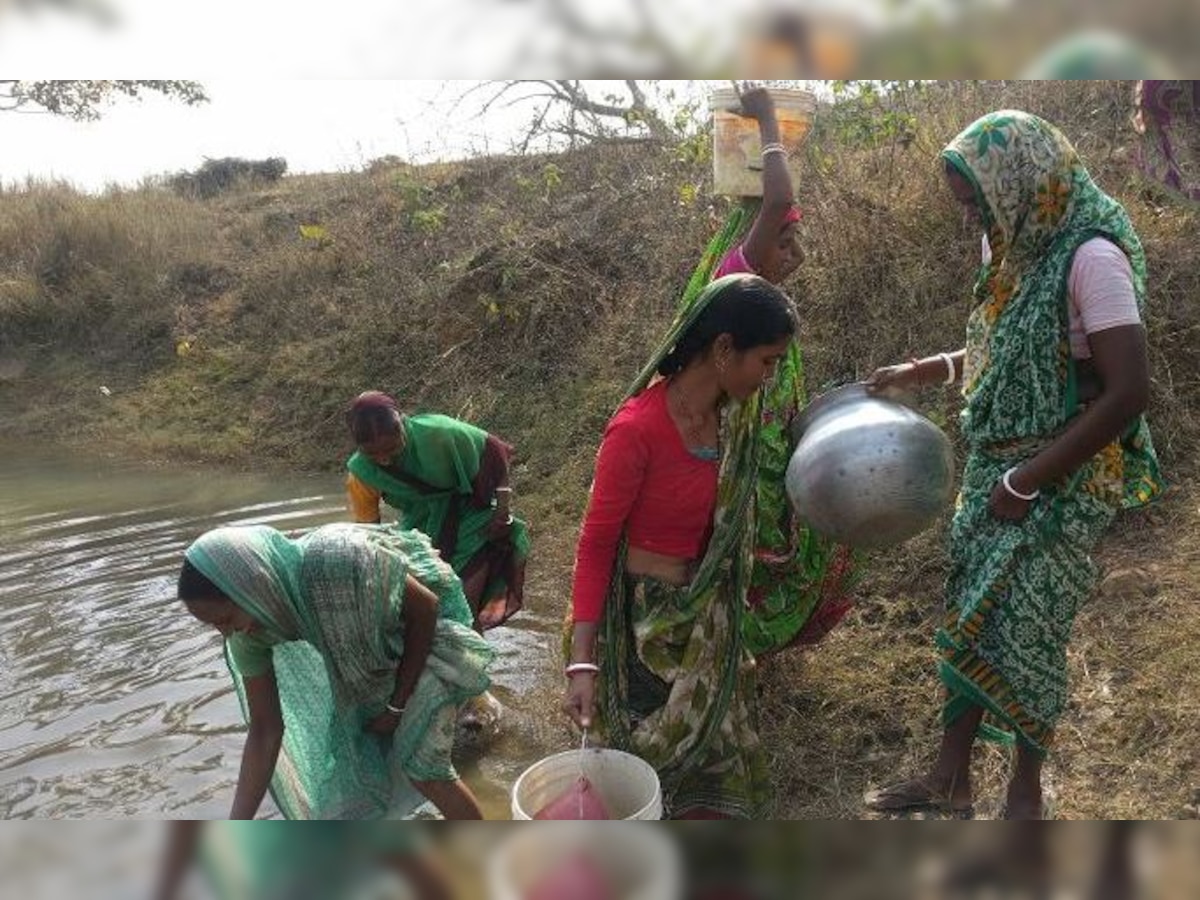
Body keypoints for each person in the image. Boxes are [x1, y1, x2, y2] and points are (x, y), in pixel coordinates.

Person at [863, 110, 1164, 819]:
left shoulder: (1093, 257)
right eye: (968, 205)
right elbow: (1015, 348)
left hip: (1062, 478)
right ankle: (949, 782)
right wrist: (926, 369)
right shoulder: (1014, 248)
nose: (973, 216)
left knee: (1031, 627)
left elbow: (1128, 391)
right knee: (969, 615)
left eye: (977, 200)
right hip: (992, 470)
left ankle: (1023, 800)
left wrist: (1028, 480)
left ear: (1023, 181)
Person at [562, 273, 798, 819]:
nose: (770, 376)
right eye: (766, 361)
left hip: (709, 618)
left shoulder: (735, 421)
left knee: (712, 777)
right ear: (722, 349)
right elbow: (595, 545)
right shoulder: (636, 431)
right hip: (650, 630)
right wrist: (582, 664)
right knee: (646, 777)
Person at [178, 521, 494, 820]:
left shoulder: (337, 560)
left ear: (253, 585)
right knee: (349, 784)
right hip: (367, 667)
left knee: (425, 772)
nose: (227, 634)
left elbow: (426, 607)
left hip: (423, 640)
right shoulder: (248, 636)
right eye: (214, 626)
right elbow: (265, 730)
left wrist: (396, 707)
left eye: (226, 619)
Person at [712, 82, 857, 658]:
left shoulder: (764, 298)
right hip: (737, 460)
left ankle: (749, 652)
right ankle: (730, 651)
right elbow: (774, 201)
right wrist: (769, 123)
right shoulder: (735, 275)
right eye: (786, 241)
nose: (794, 252)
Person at [345, 391, 530, 633]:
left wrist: (503, 511)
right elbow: (371, 532)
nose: (384, 460)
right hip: (421, 528)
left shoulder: (438, 432)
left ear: (402, 424)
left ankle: (472, 659)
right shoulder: (361, 473)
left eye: (392, 449)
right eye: (373, 454)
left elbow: (494, 450)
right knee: (426, 607)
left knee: (463, 608)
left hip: (472, 516)